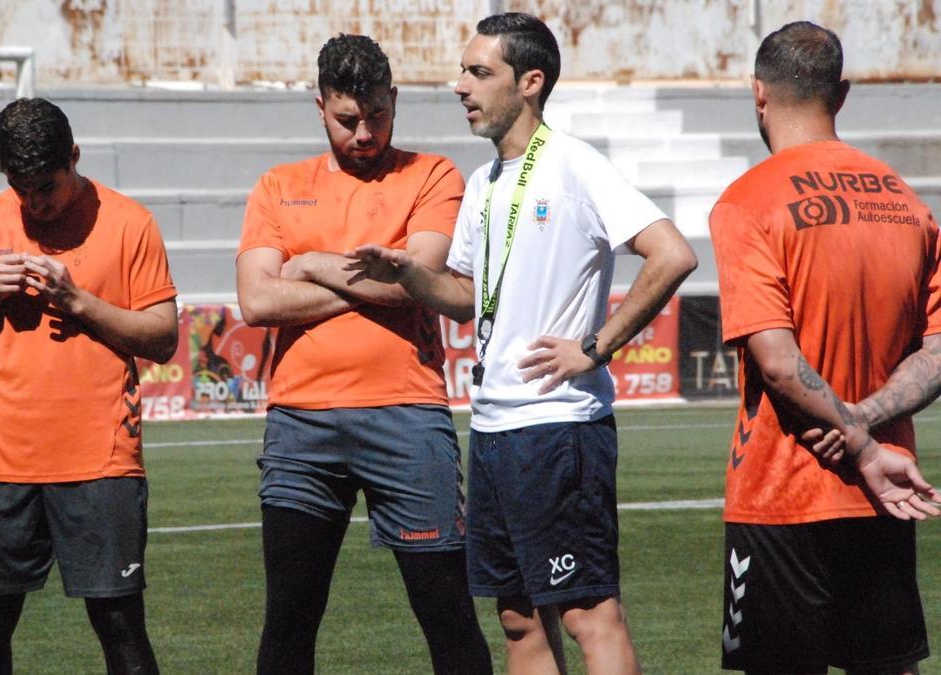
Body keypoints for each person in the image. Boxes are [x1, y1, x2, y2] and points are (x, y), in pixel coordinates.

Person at [346, 13, 698, 674]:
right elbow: (471, 294)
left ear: (530, 82)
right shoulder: (484, 183)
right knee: (516, 618)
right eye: (464, 70)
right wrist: (411, 276)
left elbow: (672, 253)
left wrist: (596, 345)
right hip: (496, 427)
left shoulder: (572, 164)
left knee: (589, 612)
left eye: (479, 72)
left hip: (558, 428)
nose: (460, 85)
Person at [235, 34, 493, 675]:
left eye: (377, 115)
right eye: (347, 119)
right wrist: (384, 288)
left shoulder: (432, 174)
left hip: (407, 416)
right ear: (319, 105)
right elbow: (258, 304)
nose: (364, 132)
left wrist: (314, 265)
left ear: (395, 100)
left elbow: (421, 278)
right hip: (300, 422)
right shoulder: (277, 185)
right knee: (289, 621)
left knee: (448, 616)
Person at [706, 21, 940, 674]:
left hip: (783, 492)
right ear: (842, 94)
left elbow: (778, 361)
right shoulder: (908, 203)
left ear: (759, 93)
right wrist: (867, 424)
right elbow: (938, 349)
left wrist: (853, 439)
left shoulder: (748, 202)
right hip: (885, 488)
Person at [0, 98, 178, 675]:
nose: (35, 203)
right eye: (20, 188)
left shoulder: (129, 222)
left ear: (74, 157)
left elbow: (163, 338)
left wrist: (78, 302)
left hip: (100, 460)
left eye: (46, 186)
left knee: (120, 626)